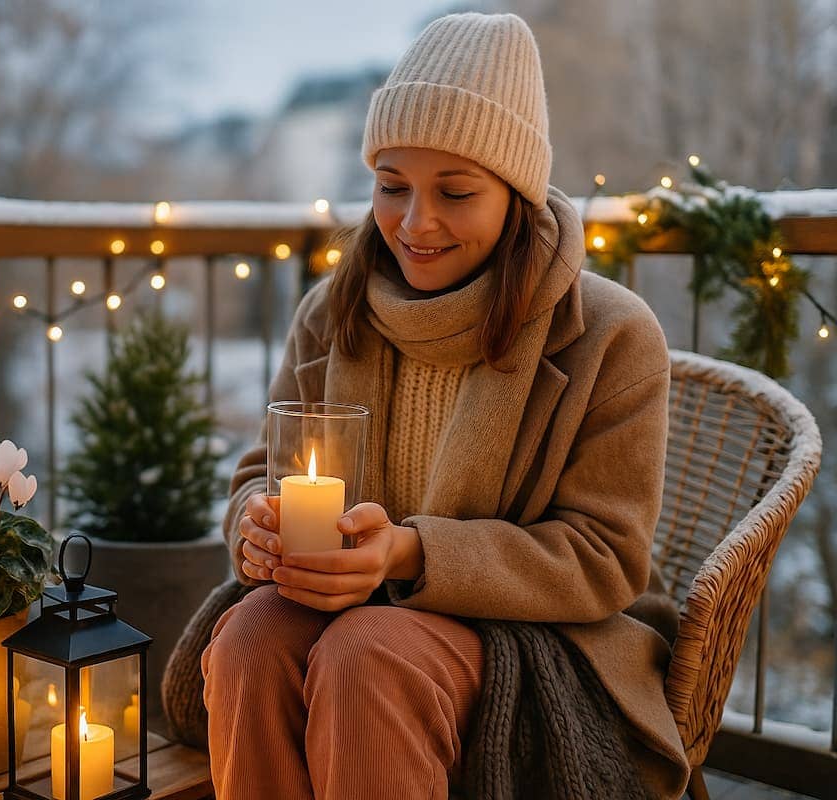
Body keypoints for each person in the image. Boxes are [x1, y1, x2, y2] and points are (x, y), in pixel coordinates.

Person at [200, 12, 692, 800]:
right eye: (392, 186)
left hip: (532, 639)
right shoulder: (334, 311)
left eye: (455, 192)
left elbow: (604, 558)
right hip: (347, 612)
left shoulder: (610, 335)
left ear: (516, 195)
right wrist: (256, 530)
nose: (415, 222)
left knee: (368, 654)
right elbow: (264, 472)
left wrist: (409, 553)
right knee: (249, 638)